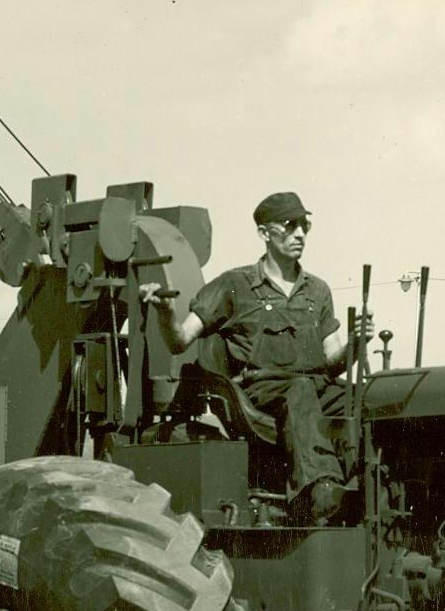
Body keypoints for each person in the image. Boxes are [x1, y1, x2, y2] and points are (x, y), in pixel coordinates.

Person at [145, 191, 368, 523]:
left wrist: (355, 344)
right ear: (265, 233)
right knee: (300, 390)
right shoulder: (235, 285)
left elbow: (330, 357)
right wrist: (165, 312)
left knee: (369, 397)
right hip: (262, 394)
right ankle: (319, 488)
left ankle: (370, 486)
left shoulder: (317, 291)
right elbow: (180, 341)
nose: (300, 235)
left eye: (305, 226)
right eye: (289, 226)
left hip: (315, 389)